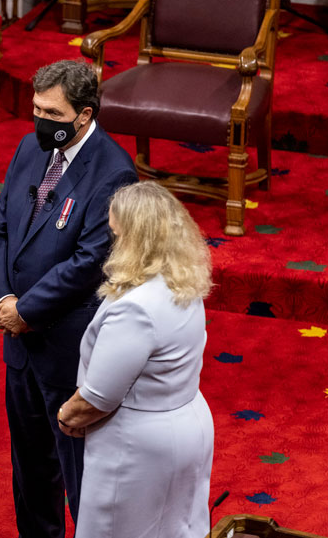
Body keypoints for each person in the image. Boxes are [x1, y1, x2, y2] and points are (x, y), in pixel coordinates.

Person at [0, 59, 137, 537]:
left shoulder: (114, 172)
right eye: (36, 109)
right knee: (30, 470)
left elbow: (91, 260)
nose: (40, 121)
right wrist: (5, 300)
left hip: (67, 347)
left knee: (79, 475)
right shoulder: (30, 148)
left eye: (52, 113)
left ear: (85, 116)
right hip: (19, 343)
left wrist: (27, 310)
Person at [57, 181, 214, 537]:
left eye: (116, 234)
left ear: (137, 238)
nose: (111, 244)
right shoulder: (182, 281)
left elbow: (97, 398)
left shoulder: (136, 309)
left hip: (137, 448)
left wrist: (65, 415)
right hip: (187, 426)